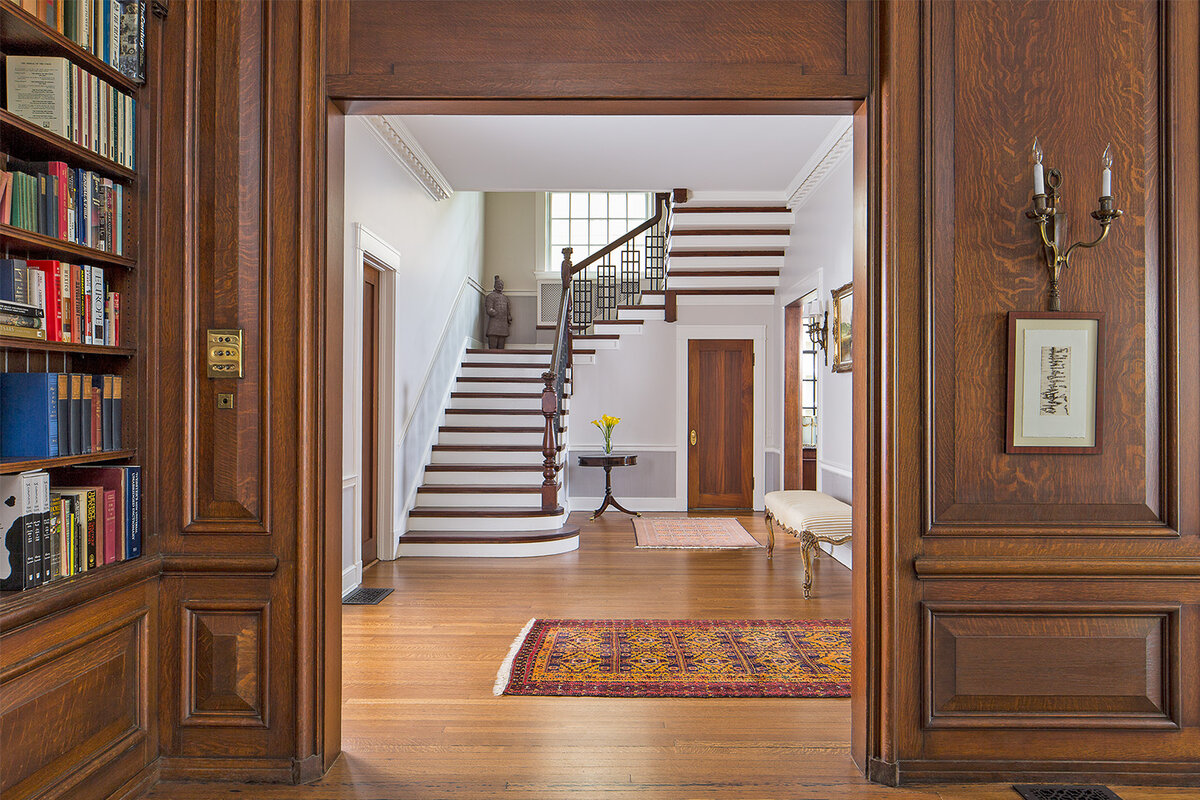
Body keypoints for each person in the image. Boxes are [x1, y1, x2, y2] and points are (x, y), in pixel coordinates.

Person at [484, 275, 512, 350]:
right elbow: (489, 308)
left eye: (502, 285)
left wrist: (509, 317)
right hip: (494, 323)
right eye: (498, 284)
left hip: (503, 323)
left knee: (501, 348)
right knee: (492, 347)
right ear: (495, 285)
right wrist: (493, 312)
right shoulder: (491, 296)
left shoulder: (505, 298)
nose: (500, 286)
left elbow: (508, 309)